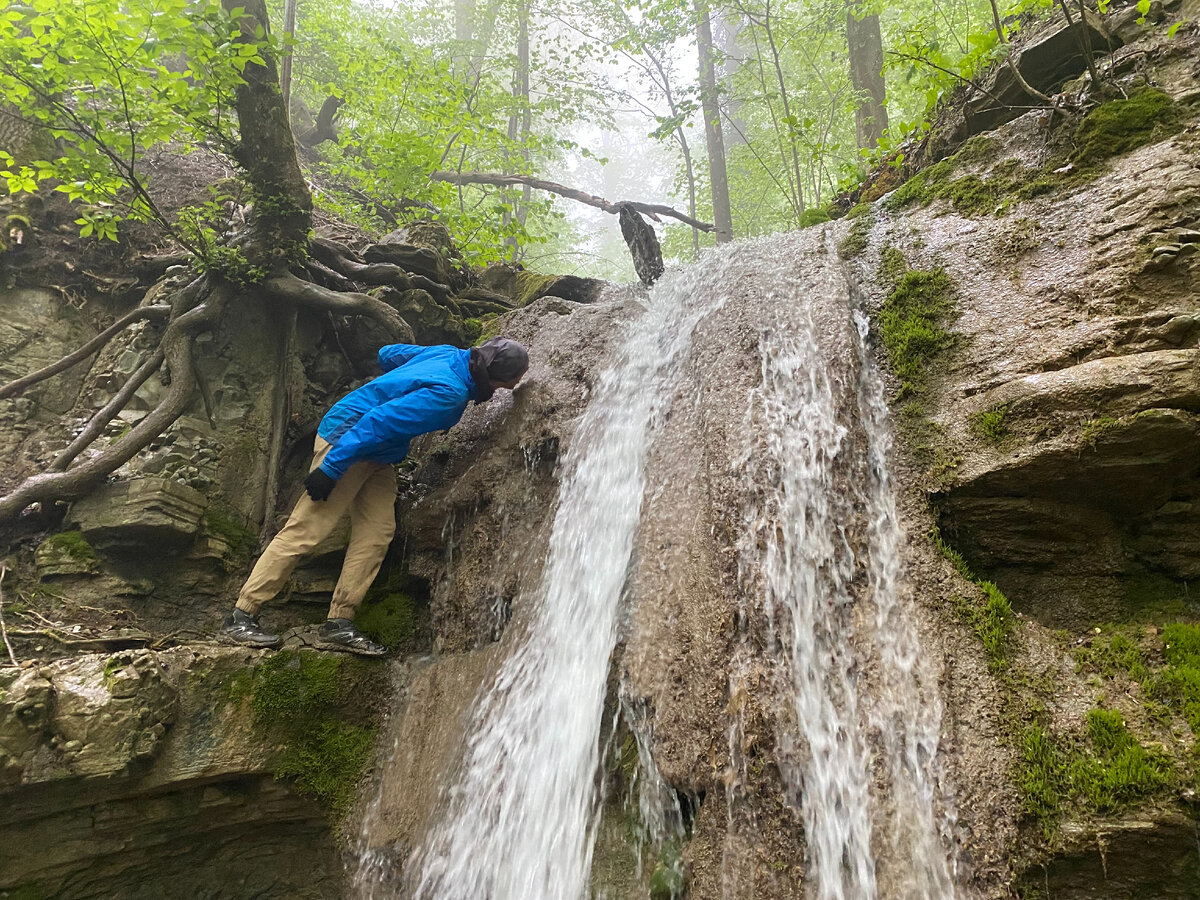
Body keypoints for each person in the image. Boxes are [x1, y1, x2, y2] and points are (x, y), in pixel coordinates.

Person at [219, 336, 529, 655]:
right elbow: (376, 422)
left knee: (377, 533)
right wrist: (332, 468)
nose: (513, 386)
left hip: (379, 453)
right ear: (496, 376)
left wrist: (398, 381)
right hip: (348, 441)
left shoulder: (451, 354)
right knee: (307, 529)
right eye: (512, 382)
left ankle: (338, 622)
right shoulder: (449, 394)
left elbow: (387, 354)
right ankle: (241, 616)